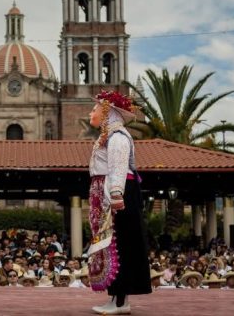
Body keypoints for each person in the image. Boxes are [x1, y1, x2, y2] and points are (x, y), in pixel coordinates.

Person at [87, 90, 151, 315]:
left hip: (118, 195)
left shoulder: (118, 137)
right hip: (108, 193)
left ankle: (121, 300)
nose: (91, 112)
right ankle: (116, 297)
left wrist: (115, 194)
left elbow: (118, 166)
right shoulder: (108, 136)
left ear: (108, 111)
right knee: (110, 245)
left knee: (120, 245)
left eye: (95, 108)